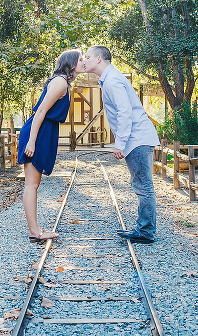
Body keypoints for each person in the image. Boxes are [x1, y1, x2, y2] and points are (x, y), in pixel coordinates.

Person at [83, 45, 160, 244]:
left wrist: (120, 144)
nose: (85, 59)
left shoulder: (113, 80)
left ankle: (145, 231)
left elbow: (124, 112)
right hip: (137, 139)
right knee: (141, 185)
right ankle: (144, 228)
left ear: (99, 59)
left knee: (143, 186)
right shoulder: (109, 79)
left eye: (88, 56)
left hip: (137, 139)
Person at [18, 49, 84, 242]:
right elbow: (40, 112)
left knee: (34, 184)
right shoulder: (60, 82)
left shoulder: (64, 83)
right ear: (71, 63)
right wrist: (31, 140)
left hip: (45, 131)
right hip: (38, 132)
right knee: (31, 184)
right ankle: (35, 232)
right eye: (80, 59)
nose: (83, 61)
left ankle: (35, 229)